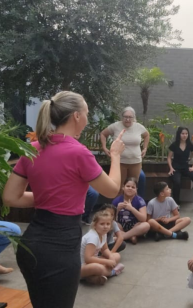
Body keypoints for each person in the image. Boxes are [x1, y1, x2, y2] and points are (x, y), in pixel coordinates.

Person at [2, 91, 125, 308]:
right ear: (77, 116)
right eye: (87, 113)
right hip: (59, 249)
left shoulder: (32, 149)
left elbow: (11, 197)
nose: (87, 118)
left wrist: (48, 200)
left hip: (30, 247)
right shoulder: (79, 153)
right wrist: (115, 155)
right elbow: (112, 190)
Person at [100, 106, 149, 189]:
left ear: (134, 118)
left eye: (130, 117)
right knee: (119, 187)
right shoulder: (115, 126)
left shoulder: (139, 127)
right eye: (125, 117)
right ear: (122, 117)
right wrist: (104, 147)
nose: (128, 119)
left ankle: (131, 202)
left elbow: (147, 135)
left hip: (135, 162)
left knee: (132, 187)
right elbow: (103, 134)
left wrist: (145, 148)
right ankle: (117, 202)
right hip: (119, 162)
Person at [80, 210, 124, 285]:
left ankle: (93, 276)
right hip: (83, 265)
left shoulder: (103, 234)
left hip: (94, 260)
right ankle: (112, 272)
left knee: (116, 256)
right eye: (102, 224)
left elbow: (105, 249)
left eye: (108, 224)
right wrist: (107, 262)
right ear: (95, 225)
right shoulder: (93, 237)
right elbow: (88, 259)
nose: (105, 226)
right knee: (98, 268)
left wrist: (111, 257)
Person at [168, 127, 193, 212]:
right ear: (179, 134)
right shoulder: (174, 145)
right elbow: (169, 158)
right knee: (177, 182)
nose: (184, 135)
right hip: (176, 168)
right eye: (182, 134)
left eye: (186, 134)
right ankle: (176, 203)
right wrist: (171, 168)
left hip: (185, 167)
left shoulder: (190, 145)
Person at [112, 177, 150, 244]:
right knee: (112, 224)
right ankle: (131, 236)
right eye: (128, 186)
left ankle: (122, 237)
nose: (130, 188)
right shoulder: (117, 200)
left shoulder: (140, 200)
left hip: (135, 225)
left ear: (136, 190)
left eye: (133, 187)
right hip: (121, 225)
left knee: (146, 225)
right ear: (123, 187)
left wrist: (132, 209)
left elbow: (144, 219)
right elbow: (111, 218)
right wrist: (117, 210)